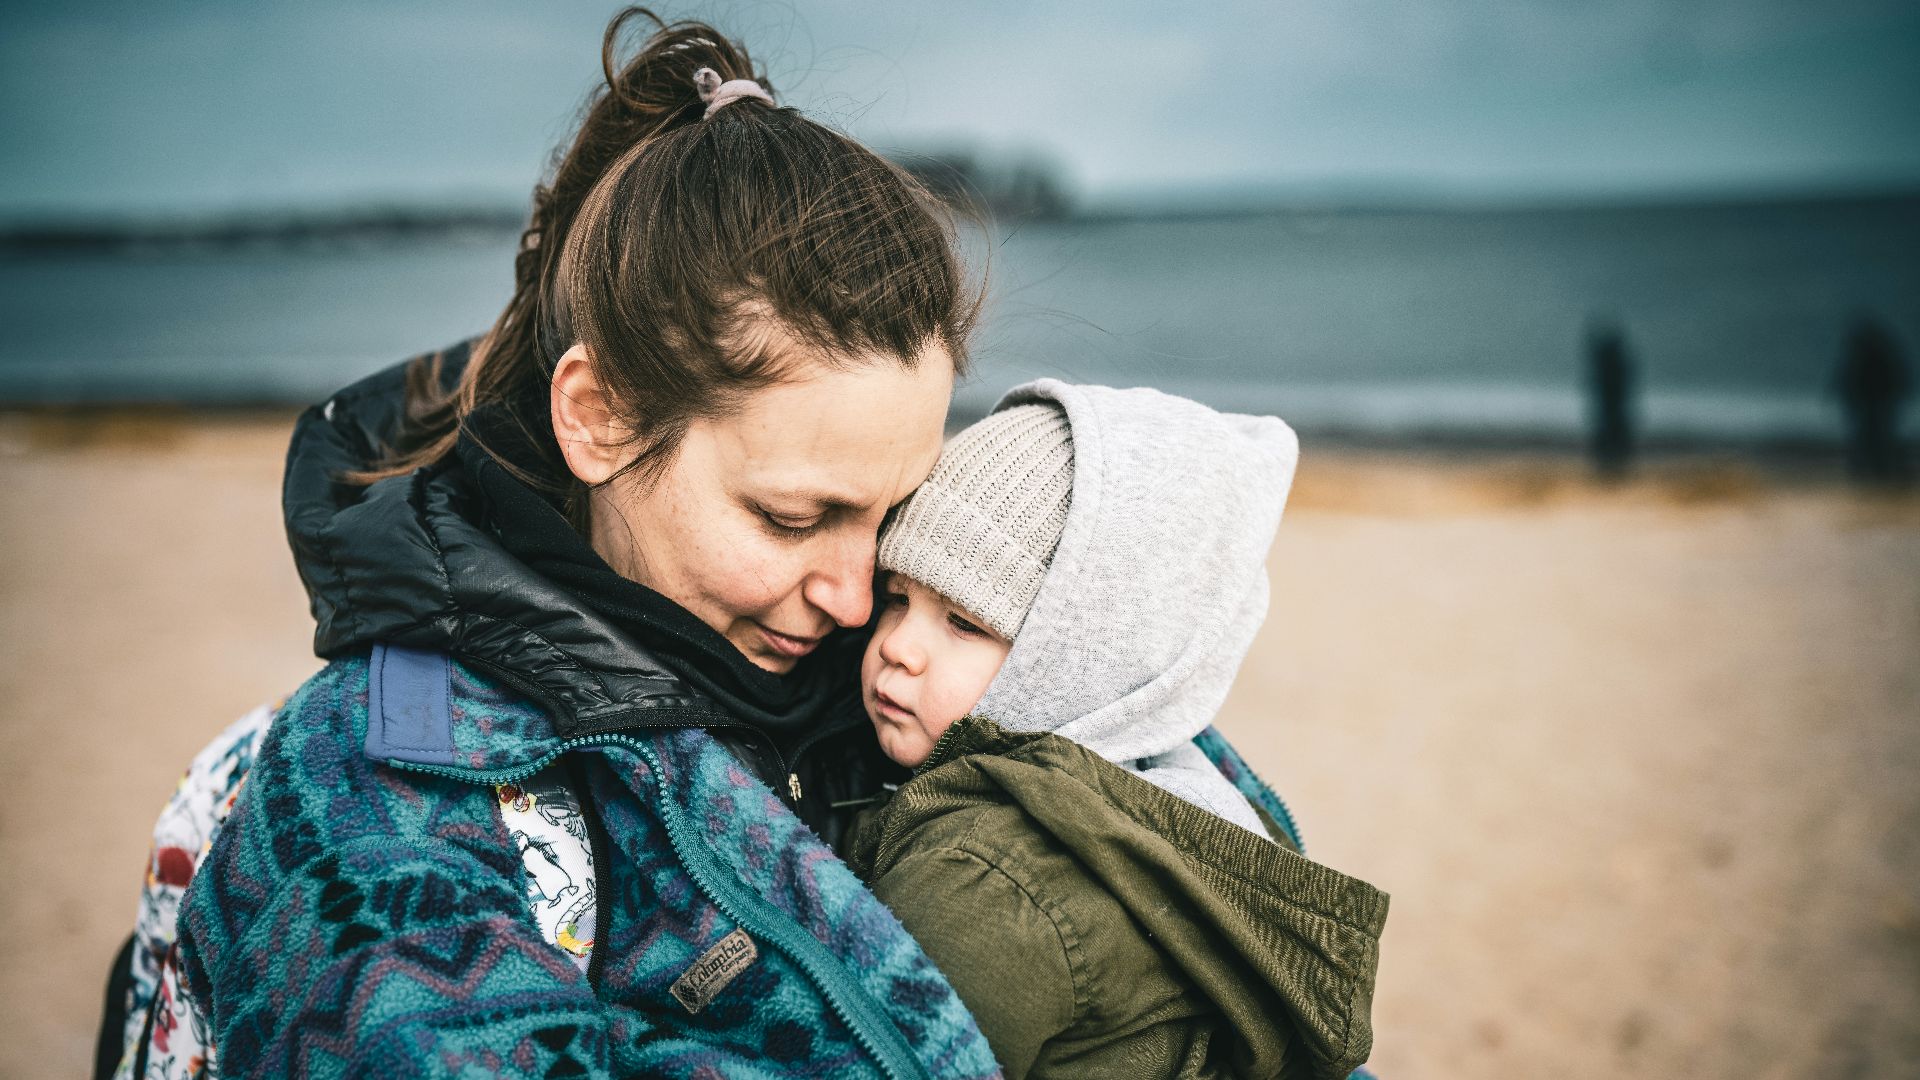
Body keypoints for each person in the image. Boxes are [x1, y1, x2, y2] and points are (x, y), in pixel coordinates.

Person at [98, 9, 1365, 1079]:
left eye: (895, 515)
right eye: (794, 516)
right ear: (598, 419)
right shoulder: (375, 791)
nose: (860, 592)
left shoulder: (925, 675)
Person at [840, 382, 1388, 1079]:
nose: (898, 646)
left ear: (1080, 661)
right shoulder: (1172, 797)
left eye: (965, 622)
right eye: (897, 597)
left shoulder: (985, 880)